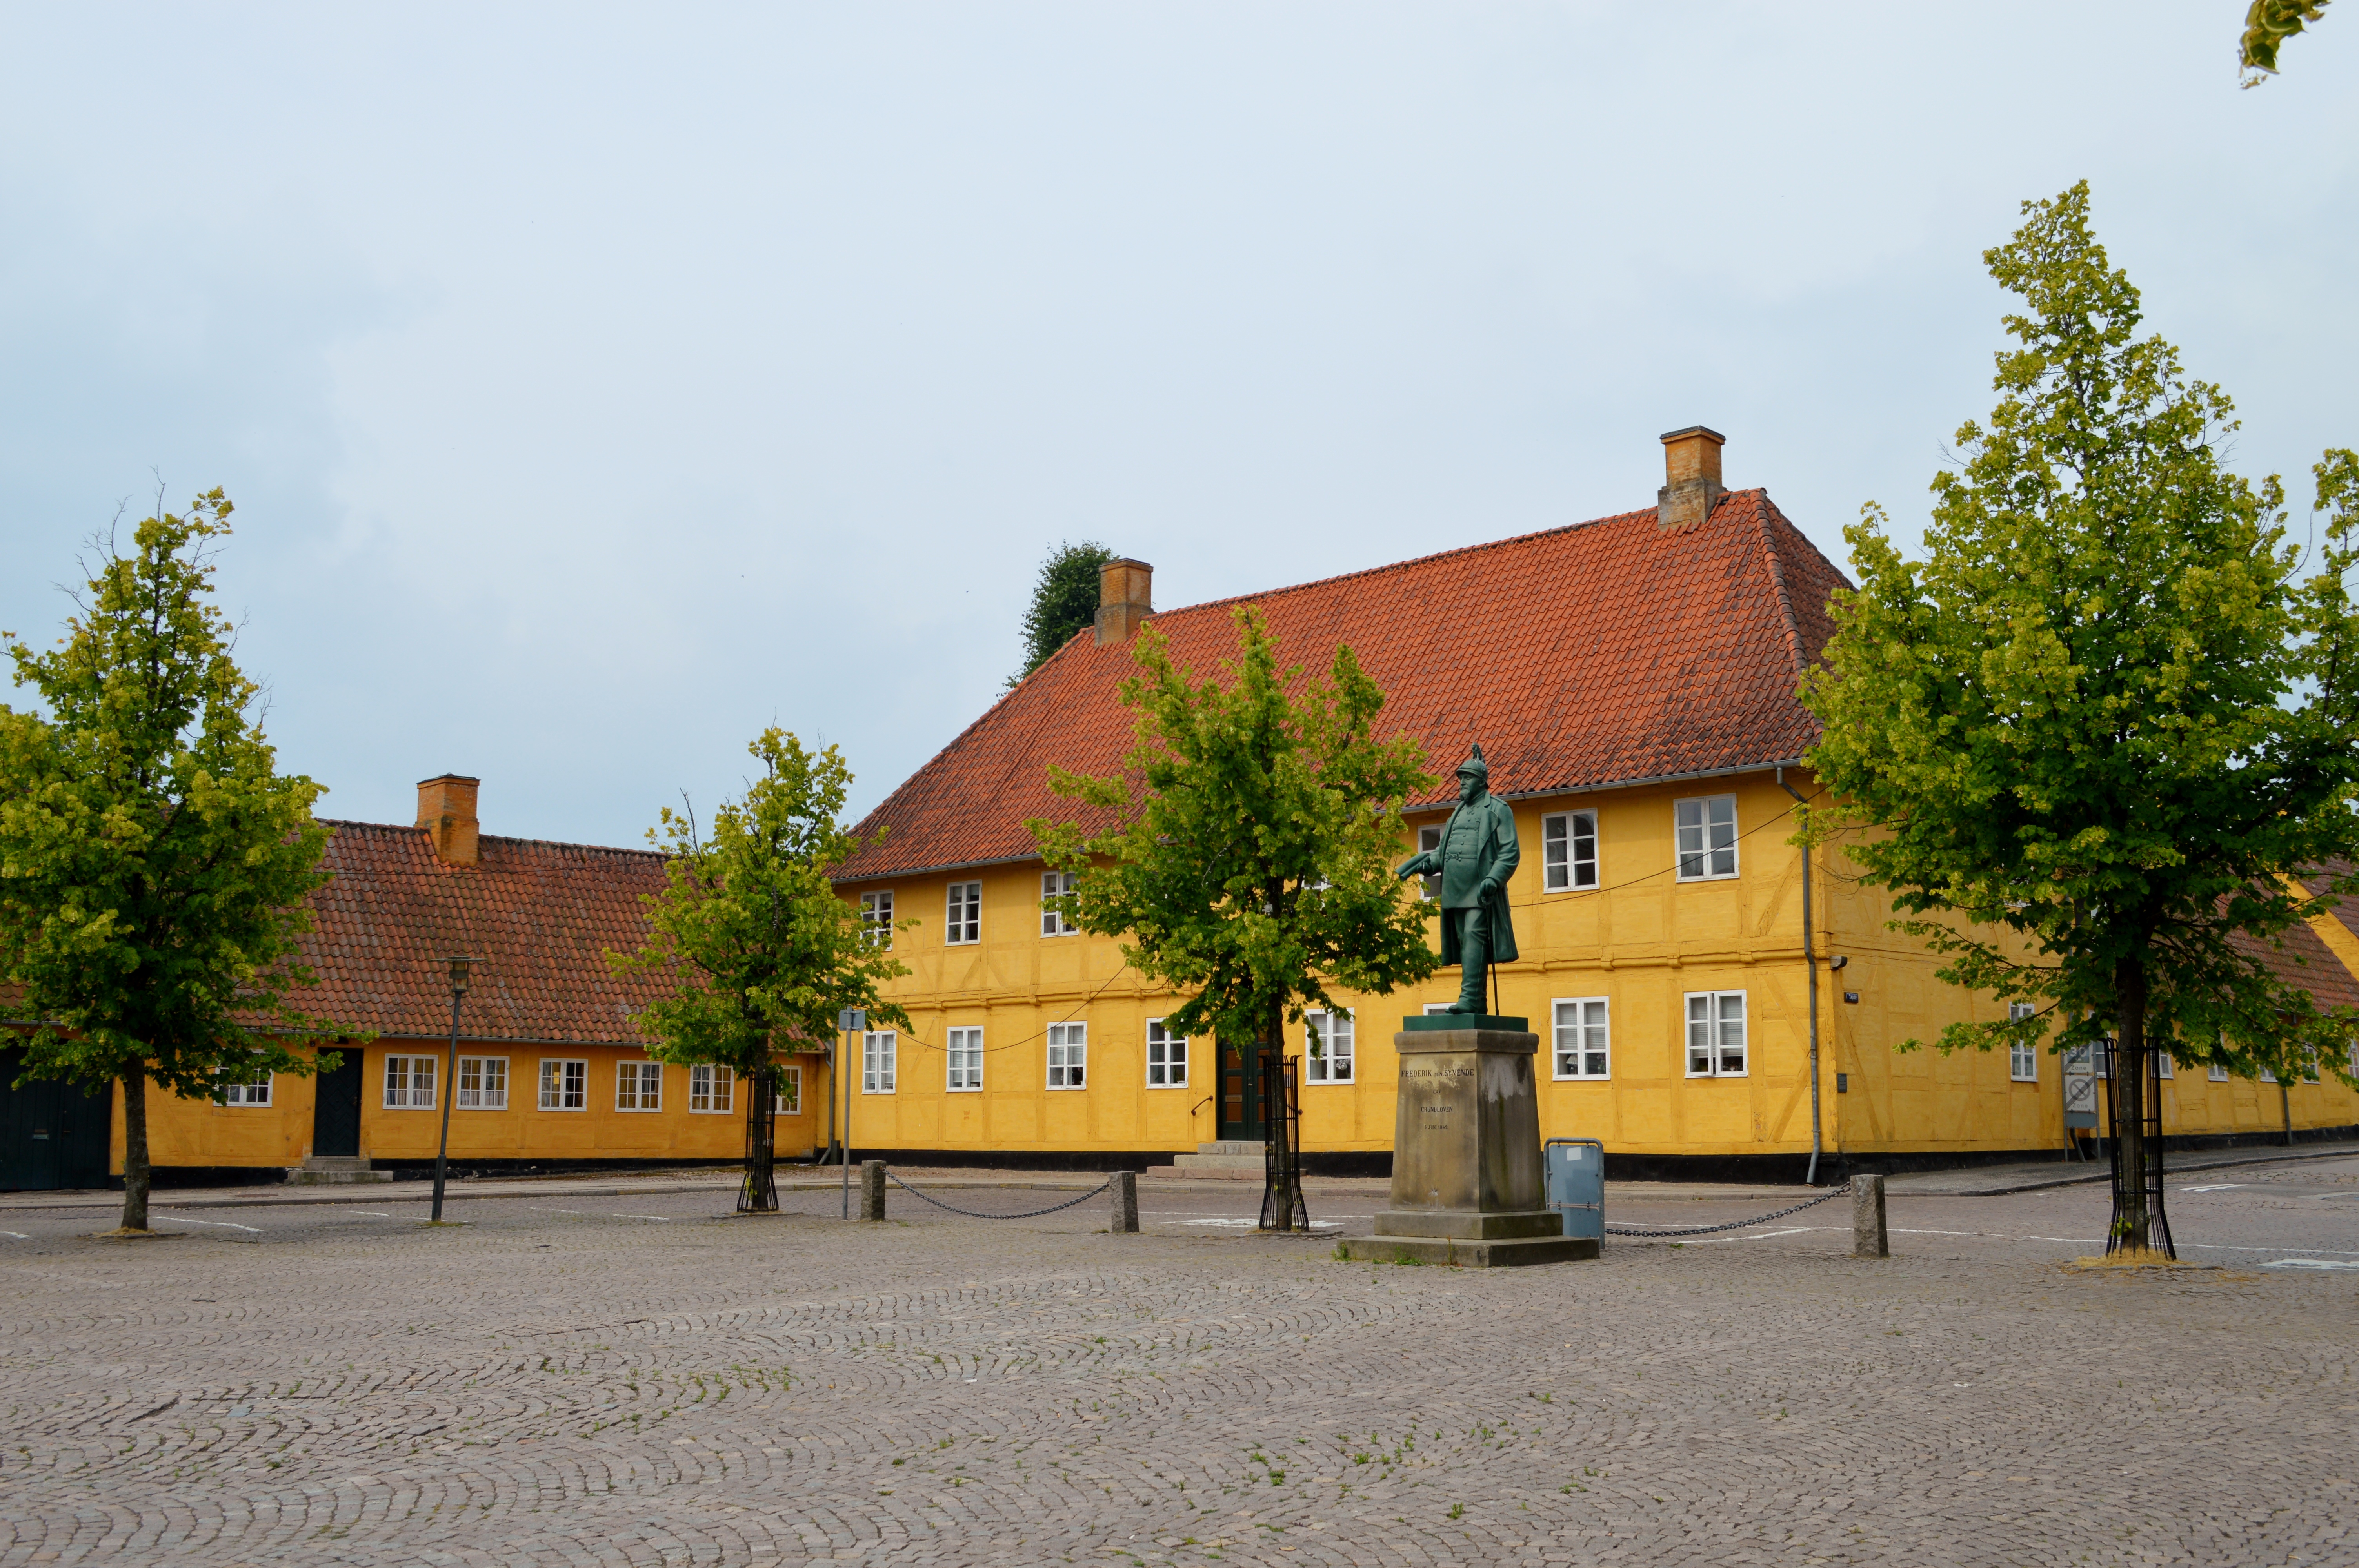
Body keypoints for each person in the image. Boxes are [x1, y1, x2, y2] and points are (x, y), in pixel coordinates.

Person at [1395, 744, 1520, 1014]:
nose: (1462, 782)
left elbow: (1510, 852)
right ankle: (1478, 1002)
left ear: (1482, 782)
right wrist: (1428, 864)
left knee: (1475, 938)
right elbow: (1444, 851)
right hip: (1455, 891)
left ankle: (1469, 999)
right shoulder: (1457, 813)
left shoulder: (1499, 810)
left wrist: (1493, 879)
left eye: (1467, 777)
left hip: (1479, 891)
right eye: (1461, 777)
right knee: (1466, 942)